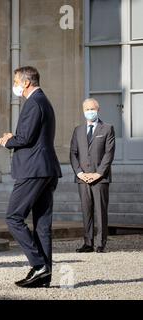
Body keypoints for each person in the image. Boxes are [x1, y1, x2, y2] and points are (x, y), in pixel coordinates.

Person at [0, 66, 62, 288]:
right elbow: (33, 136)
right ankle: (45, 275)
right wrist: (16, 137)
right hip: (45, 169)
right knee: (42, 225)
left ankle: (39, 265)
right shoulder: (43, 101)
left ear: (26, 83)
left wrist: (8, 140)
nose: (14, 85)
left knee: (14, 217)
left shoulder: (34, 102)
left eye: (16, 80)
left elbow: (25, 138)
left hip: (33, 170)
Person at [70, 98, 115, 254]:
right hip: (83, 179)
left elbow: (109, 154)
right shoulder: (78, 130)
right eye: (87, 109)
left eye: (92, 109)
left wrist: (98, 173)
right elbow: (73, 153)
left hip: (100, 178)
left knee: (100, 211)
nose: (90, 111)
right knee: (86, 211)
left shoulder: (107, 129)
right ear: (83, 111)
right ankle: (88, 243)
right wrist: (80, 173)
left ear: (98, 109)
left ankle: (101, 243)